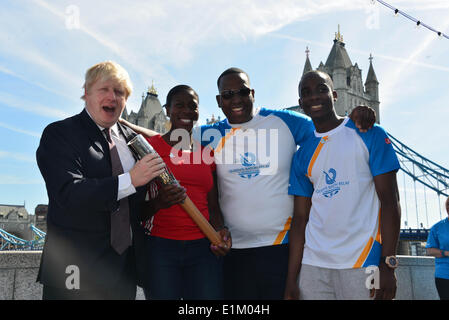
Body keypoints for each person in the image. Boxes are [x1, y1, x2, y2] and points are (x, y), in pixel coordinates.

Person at [194, 67, 377, 300]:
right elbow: (166, 141)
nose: (236, 99)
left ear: (252, 93)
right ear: (219, 101)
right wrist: (131, 129)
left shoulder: (286, 122)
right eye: (228, 95)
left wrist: (356, 117)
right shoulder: (207, 135)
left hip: (282, 249)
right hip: (233, 251)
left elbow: (330, 127)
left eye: (241, 92)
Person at [36, 61, 166, 300]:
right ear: (86, 93)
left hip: (124, 269)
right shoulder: (60, 133)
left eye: (119, 92)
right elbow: (67, 192)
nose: (112, 97)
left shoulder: (133, 140)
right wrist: (131, 180)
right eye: (104, 89)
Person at [284, 70, 401, 300]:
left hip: (363, 260)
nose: (314, 97)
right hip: (313, 264)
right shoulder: (301, 155)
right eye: (306, 93)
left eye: (321, 90)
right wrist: (291, 280)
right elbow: (300, 219)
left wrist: (388, 263)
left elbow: (390, 202)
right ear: (300, 103)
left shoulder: (370, 133)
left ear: (334, 94)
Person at [123, 85, 231, 300]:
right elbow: (133, 211)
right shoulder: (148, 149)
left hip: (203, 249)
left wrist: (221, 232)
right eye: (179, 105)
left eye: (193, 106)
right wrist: (158, 202)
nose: (187, 111)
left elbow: (213, 207)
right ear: (168, 110)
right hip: (160, 249)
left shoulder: (206, 154)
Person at [426, 196, 449, 300]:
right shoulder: (437, 227)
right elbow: (429, 251)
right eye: (448, 205)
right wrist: (447, 253)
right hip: (444, 275)